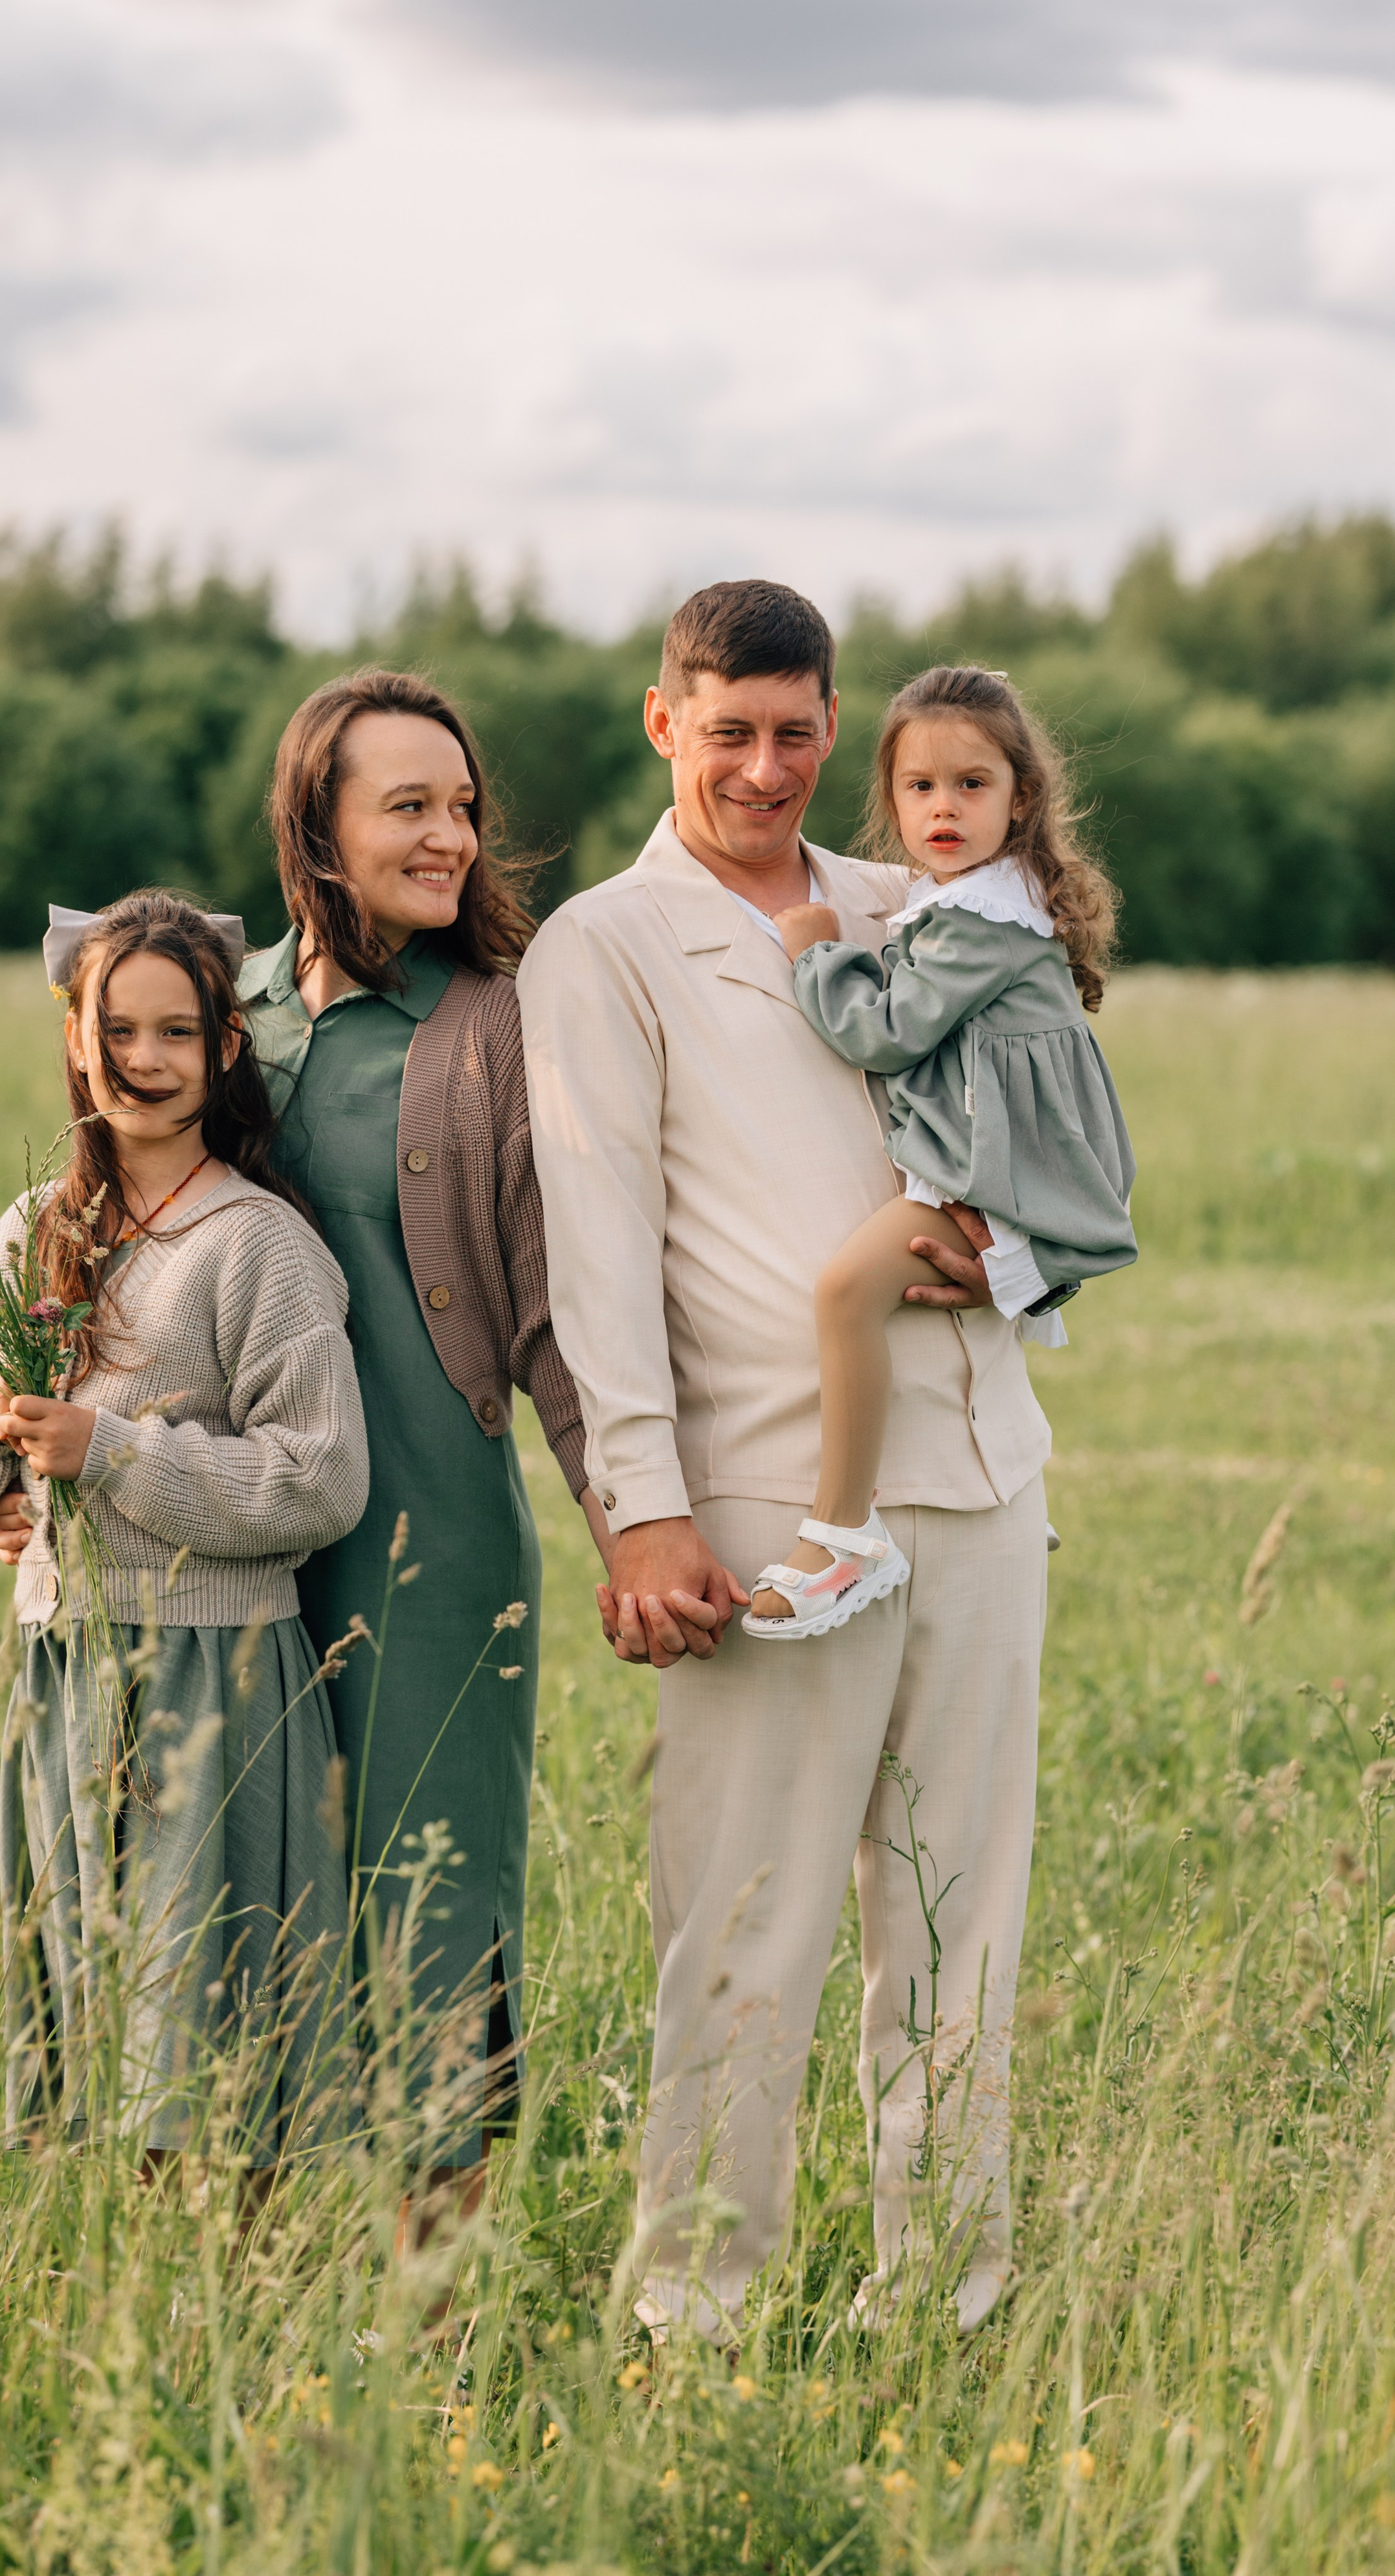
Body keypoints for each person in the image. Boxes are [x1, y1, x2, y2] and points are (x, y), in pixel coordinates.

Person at [517, 581, 1054, 2343]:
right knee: (745, 1926)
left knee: (957, 1923)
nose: (764, 766)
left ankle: (949, 2306)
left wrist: (1024, 1256)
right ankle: (695, 2308)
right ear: (664, 721)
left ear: (837, 729)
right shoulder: (603, 947)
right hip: (764, 1506)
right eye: (727, 729)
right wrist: (642, 1508)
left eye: (795, 731)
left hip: (977, 1470)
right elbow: (595, 1244)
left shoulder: (924, 897)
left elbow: (1053, 1128)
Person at [0, 891, 369, 2165]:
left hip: (212, 1676)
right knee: (91, 2002)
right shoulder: (37, 1226)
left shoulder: (257, 1245)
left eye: (178, 1031)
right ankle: (114, 2275)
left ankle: (219, 2295)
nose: (146, 1059)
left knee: (201, 2031)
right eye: (119, 1029)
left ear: (226, 1048)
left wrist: (110, 1448)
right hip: (66, 1664)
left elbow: (317, 1477)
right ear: (75, 1035)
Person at [234, 667, 597, 2241]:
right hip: (223, 1539)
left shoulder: (497, 1026)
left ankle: (429, 2329)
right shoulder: (213, 1003)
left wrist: (637, 1520)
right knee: (232, 1889)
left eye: (462, 806)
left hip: (430, 1550)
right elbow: (105, 1247)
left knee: (429, 1901)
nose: (451, 833)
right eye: (409, 806)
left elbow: (569, 1305)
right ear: (316, 823)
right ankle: (234, 2316)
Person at [746, 664, 1136, 1636]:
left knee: (846, 1296)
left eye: (972, 784)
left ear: (1022, 798)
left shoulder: (977, 922)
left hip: (993, 1177)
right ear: (892, 799)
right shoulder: (977, 901)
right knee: (906, 1312)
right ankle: (994, 1505)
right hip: (994, 1161)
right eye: (919, 787)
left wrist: (813, 954)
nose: (944, 807)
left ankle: (842, 1536)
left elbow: (885, 1032)